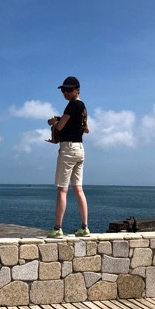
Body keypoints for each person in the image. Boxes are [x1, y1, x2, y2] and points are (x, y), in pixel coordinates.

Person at [47, 76, 90, 238]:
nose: (66, 92)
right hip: (80, 149)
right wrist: (62, 120)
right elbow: (86, 129)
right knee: (78, 189)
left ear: (77, 90)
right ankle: (84, 227)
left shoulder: (72, 105)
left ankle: (57, 228)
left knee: (62, 189)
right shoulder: (83, 107)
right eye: (64, 90)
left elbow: (59, 127)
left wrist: (55, 122)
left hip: (68, 149)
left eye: (69, 90)